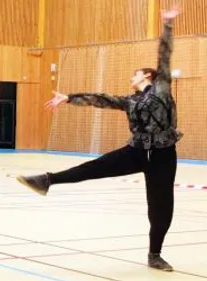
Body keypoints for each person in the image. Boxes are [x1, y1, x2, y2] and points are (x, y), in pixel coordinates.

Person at [16, 7, 182, 272]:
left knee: (161, 208)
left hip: (163, 155)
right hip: (136, 151)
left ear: (148, 76)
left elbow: (165, 54)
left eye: (136, 73)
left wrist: (168, 24)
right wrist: (70, 98)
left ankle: (155, 254)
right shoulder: (131, 101)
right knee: (95, 167)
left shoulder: (161, 87)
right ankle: (47, 180)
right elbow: (102, 99)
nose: (132, 76)